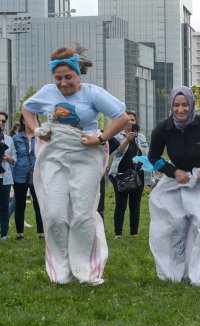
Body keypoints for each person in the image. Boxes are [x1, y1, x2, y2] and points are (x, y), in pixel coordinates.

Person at [21, 47, 129, 285]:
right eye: (58, 78)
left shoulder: (92, 93)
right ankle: (61, 271)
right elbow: (27, 109)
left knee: (82, 214)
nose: (63, 83)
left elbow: (121, 118)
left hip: (85, 156)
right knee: (55, 214)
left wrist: (100, 139)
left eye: (68, 77)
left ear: (78, 74)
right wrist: (37, 128)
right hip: (54, 157)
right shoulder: (48, 92)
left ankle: (86, 270)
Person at [146, 86, 200, 287]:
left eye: (184, 105)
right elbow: (153, 158)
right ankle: (173, 272)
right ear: (171, 106)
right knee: (173, 227)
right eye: (176, 105)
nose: (180, 110)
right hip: (175, 181)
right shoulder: (162, 129)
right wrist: (173, 171)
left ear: (191, 106)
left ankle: (197, 273)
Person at [109, 110, 149, 239]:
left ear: (136, 122)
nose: (130, 122)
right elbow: (117, 153)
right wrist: (127, 139)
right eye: (127, 120)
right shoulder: (117, 136)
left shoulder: (141, 137)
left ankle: (134, 233)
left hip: (138, 175)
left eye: (132, 120)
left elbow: (146, 155)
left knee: (135, 205)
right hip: (121, 175)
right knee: (121, 205)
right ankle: (118, 234)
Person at [11, 115, 43, 240]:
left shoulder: (40, 137)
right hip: (20, 174)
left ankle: (41, 233)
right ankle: (20, 234)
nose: (31, 121)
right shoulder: (16, 138)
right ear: (23, 120)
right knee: (20, 204)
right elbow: (13, 155)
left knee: (39, 204)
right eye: (28, 118)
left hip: (37, 174)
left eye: (34, 118)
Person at [0, 112, 16, 241]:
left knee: (4, 206)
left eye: (3, 121)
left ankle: (4, 234)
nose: (1, 123)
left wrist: (8, 158)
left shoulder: (9, 139)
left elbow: (15, 158)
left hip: (5, 177)